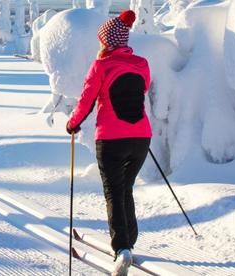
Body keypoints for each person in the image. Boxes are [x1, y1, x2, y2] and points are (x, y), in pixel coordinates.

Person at [65, 10, 151, 276]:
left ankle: (122, 248)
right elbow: (142, 91)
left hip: (111, 139)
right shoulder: (142, 63)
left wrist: (73, 123)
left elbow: (87, 100)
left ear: (106, 41)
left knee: (114, 190)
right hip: (141, 137)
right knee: (126, 187)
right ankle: (129, 241)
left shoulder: (101, 65)